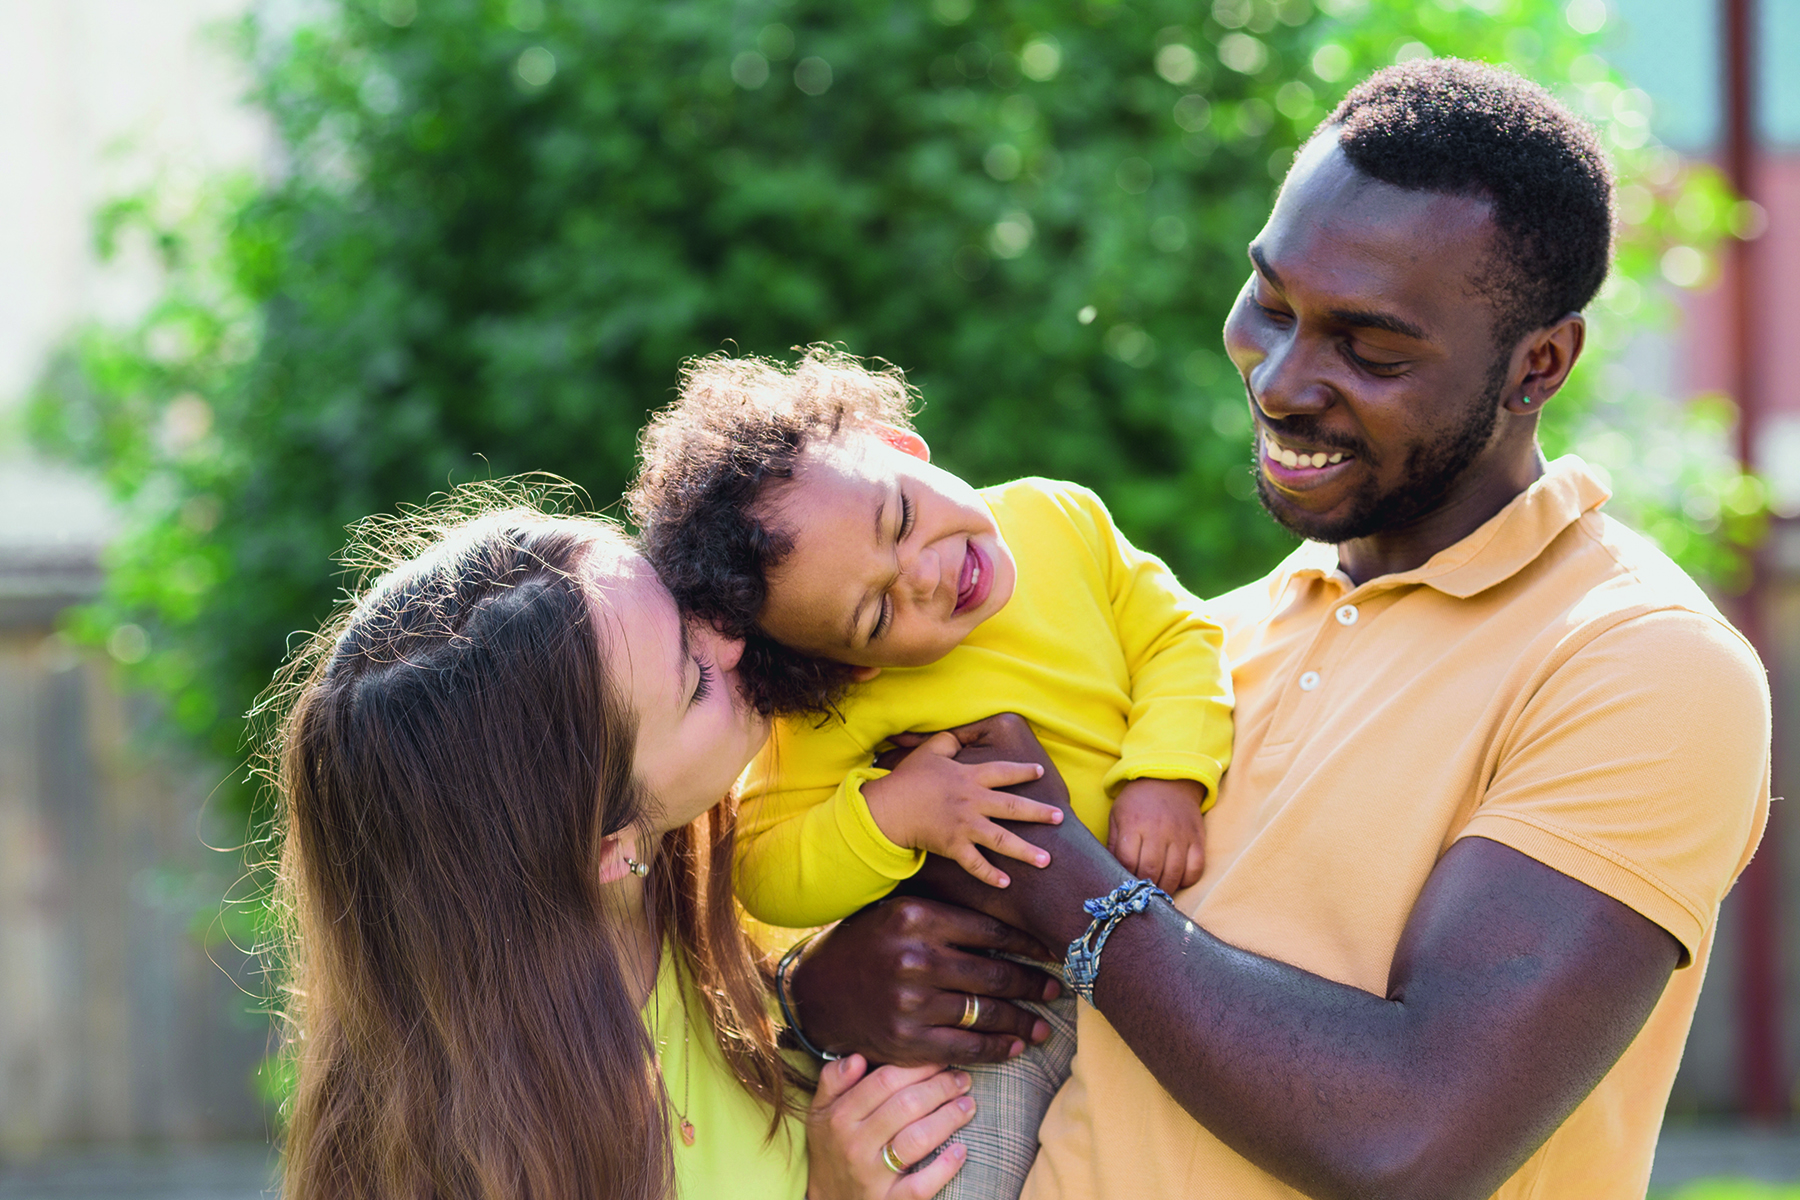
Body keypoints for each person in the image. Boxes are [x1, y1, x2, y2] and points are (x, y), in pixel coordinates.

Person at [781, 58, 1772, 1199]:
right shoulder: (1205, 643)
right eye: (1272, 301)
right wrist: (832, 992)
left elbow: (1408, 1139)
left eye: (1372, 348)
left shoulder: (1641, 664)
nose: (1285, 380)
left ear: (1536, 366)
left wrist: (1059, 876)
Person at [264, 487, 987, 1200]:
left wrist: (811, 995)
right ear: (605, 849)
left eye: (682, 605)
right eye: (694, 681)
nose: (734, 637)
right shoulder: (483, 1165)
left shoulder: (740, 825)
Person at [627, 351, 1234, 1197]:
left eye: (901, 516)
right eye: (879, 610)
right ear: (855, 664)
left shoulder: (1061, 518)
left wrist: (1165, 775)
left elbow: (1179, 637)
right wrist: (890, 815)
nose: (926, 574)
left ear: (899, 445)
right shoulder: (837, 709)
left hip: (1176, 938)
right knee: (947, 1174)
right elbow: (765, 868)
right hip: (1000, 1000)